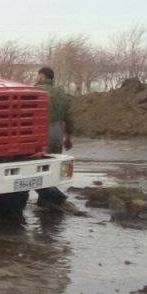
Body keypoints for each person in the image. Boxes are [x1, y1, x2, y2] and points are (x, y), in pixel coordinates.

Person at [34, 67, 83, 214]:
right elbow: (69, 117)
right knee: (53, 168)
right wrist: (68, 137)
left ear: (42, 76)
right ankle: (43, 203)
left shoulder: (36, 91)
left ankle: (55, 200)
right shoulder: (62, 93)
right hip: (57, 132)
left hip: (40, 131)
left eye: (38, 76)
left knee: (38, 168)